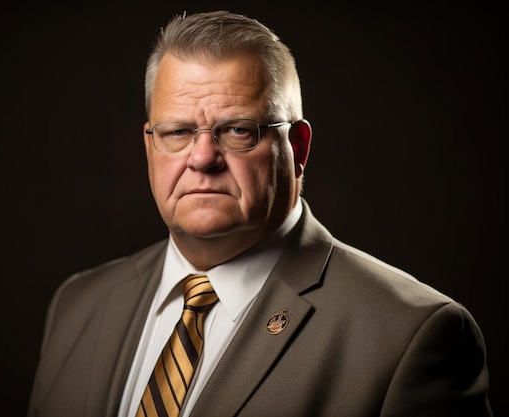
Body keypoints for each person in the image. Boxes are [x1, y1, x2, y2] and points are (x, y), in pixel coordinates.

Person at [27, 10, 492, 417]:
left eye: (237, 130)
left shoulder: (411, 337)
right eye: (178, 131)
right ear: (150, 144)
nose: (203, 157)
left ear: (299, 147)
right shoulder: (77, 304)